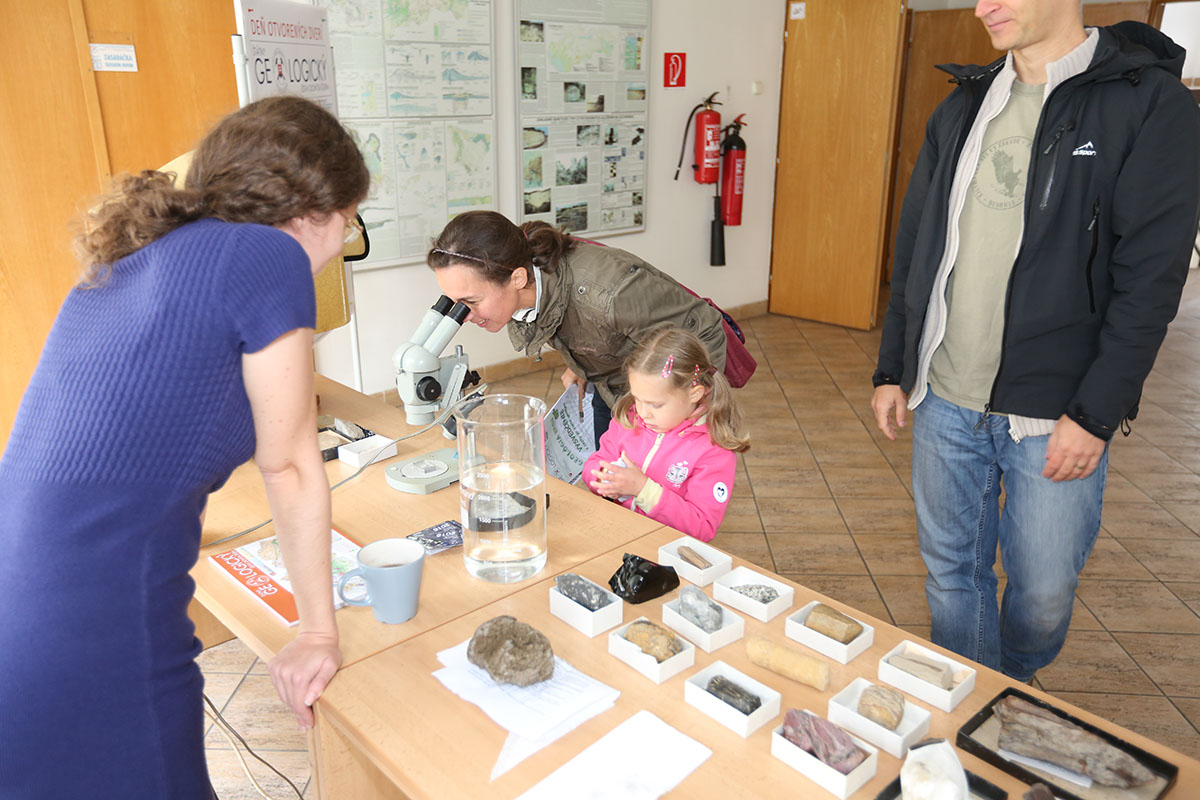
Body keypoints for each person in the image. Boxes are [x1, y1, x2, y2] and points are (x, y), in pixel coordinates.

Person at [0, 96, 369, 798]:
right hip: (93, 613)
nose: (339, 247)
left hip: (19, 583)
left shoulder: (129, 260)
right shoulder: (267, 253)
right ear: (313, 210)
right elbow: (291, 465)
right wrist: (317, 635)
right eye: (350, 223)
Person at [871, 1, 1200, 682]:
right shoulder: (963, 104)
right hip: (945, 397)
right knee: (951, 577)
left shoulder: (1150, 105)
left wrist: (1096, 413)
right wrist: (893, 368)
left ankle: (1013, 686)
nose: (982, 7)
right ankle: (970, 706)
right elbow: (917, 246)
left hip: (1056, 414)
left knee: (1044, 595)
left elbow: (1150, 281)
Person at [427, 210, 755, 448]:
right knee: (612, 489)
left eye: (471, 302)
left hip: (664, 401)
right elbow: (571, 316)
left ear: (517, 278)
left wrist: (685, 418)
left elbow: (703, 330)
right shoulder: (531, 281)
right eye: (455, 304)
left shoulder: (611, 294)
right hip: (614, 384)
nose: (464, 317)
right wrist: (582, 361)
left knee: (659, 503)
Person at [583, 326, 750, 542]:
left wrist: (643, 490)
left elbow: (702, 526)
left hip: (665, 549)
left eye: (655, 405)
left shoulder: (713, 451)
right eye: (637, 398)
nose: (643, 413)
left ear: (694, 394)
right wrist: (604, 477)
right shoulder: (630, 418)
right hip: (619, 535)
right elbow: (594, 463)